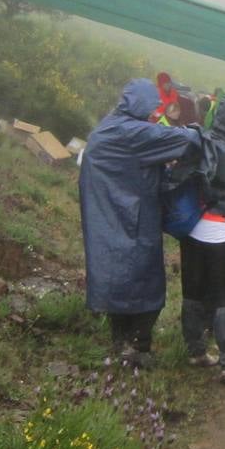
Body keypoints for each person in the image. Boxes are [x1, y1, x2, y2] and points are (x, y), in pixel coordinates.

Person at [79, 79, 202, 366]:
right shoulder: (133, 132)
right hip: (133, 216)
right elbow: (186, 142)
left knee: (111, 277)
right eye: (151, 107)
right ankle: (139, 346)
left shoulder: (106, 128)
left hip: (103, 215)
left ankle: (120, 342)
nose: (154, 113)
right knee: (143, 279)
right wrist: (194, 132)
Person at [180, 95, 225, 385]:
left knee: (193, 290)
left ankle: (195, 350)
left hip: (193, 226)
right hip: (221, 230)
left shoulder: (201, 142)